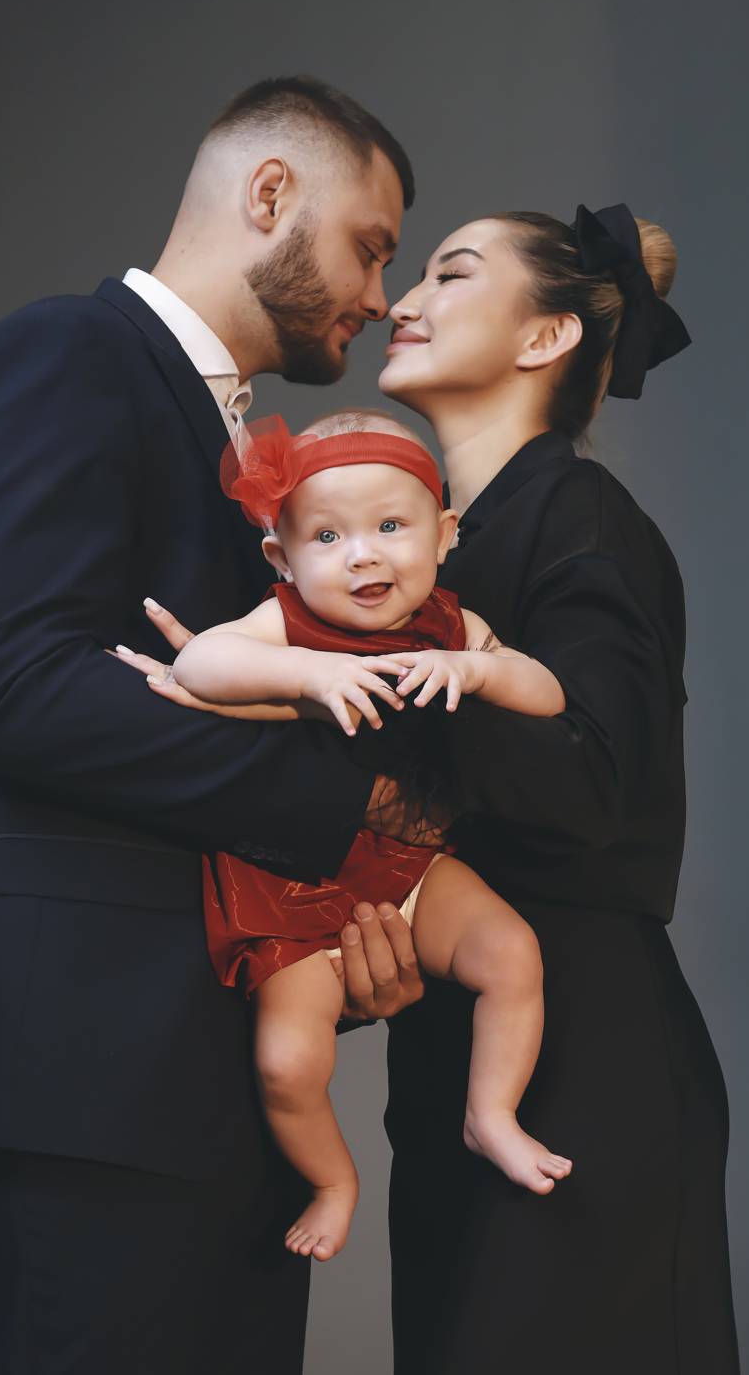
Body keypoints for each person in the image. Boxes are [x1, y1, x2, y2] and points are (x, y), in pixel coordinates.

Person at [0, 76, 428, 1375]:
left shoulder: (244, 451)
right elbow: (22, 688)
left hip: (204, 1066)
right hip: (87, 1061)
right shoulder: (60, 356)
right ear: (269, 193)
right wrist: (347, 817)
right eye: (370, 246)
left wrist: (327, 942)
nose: (380, 294)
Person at [378, 204, 741, 1372]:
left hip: (586, 1065)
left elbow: (594, 779)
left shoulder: (581, 517)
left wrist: (385, 736)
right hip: (458, 1056)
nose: (402, 301)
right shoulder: (433, 550)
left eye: (451, 273)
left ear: (546, 338)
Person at [114, 407, 572, 1261]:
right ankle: (333, 1180)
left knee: (511, 955)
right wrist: (307, 672)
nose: (362, 554)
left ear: (444, 536)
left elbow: (547, 695)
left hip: (410, 865)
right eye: (326, 537)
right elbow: (202, 663)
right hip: (289, 889)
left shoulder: (451, 625)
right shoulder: (288, 623)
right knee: (288, 1062)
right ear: (281, 560)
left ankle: (490, 1113)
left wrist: (478, 668)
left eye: (391, 526)